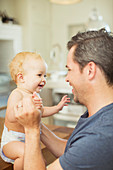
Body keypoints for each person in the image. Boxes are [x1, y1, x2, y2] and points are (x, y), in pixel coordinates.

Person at [15, 28, 113, 170]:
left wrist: (31, 130)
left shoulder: (100, 136)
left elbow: (87, 149)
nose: (67, 78)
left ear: (90, 70)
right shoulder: (100, 116)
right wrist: (36, 123)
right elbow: (75, 152)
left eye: (69, 69)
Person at [0, 52, 70, 170]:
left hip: (27, 141)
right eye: (39, 75)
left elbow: (42, 111)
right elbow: (10, 117)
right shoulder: (17, 94)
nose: (43, 79)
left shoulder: (35, 95)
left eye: (45, 76)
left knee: (39, 159)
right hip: (11, 142)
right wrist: (22, 107)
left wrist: (57, 107)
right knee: (25, 154)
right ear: (21, 78)